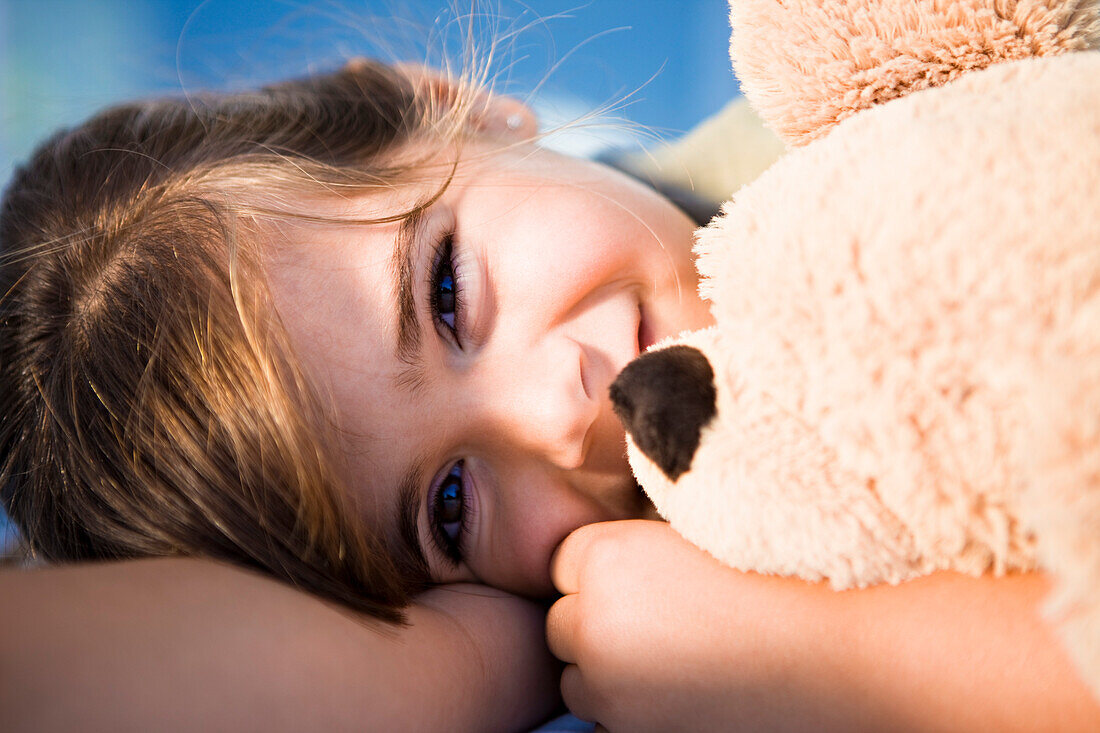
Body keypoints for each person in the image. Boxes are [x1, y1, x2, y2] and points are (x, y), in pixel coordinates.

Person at [0, 55, 1097, 732]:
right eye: (446, 507)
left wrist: (843, 662)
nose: (558, 410)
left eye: (444, 294)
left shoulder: (897, 110)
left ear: (452, 103)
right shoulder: (650, 603)